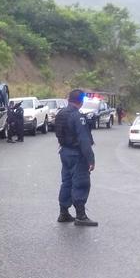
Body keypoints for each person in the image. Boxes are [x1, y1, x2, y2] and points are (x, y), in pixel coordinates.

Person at [54, 89, 98, 226]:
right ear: (81, 101)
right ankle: (81, 215)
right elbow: (84, 139)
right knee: (81, 182)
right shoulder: (77, 116)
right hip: (76, 154)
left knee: (67, 182)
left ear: (69, 99)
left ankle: (63, 213)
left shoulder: (61, 114)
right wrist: (90, 159)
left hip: (64, 152)